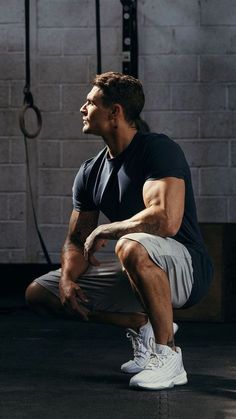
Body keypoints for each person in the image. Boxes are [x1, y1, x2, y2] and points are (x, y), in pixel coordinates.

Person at [25, 71, 213, 390]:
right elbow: (76, 238)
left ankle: (169, 356)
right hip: (137, 269)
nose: (83, 109)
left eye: (91, 103)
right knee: (41, 293)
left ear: (115, 113)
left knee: (129, 244)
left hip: (185, 270)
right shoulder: (90, 171)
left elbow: (166, 220)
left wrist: (107, 231)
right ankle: (143, 325)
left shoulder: (158, 149)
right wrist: (69, 280)